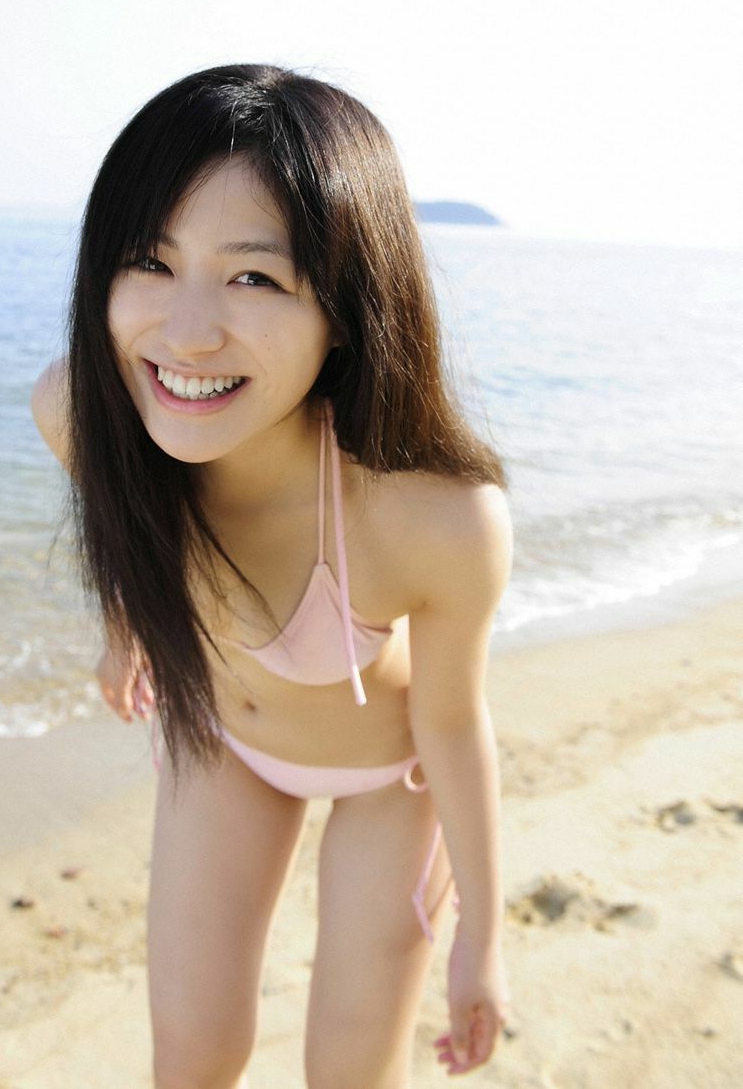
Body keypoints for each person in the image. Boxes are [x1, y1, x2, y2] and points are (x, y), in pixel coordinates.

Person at [31, 64, 513, 1087]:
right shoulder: (79, 412)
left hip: (389, 783)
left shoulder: (433, 519)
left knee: (349, 1070)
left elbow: (452, 724)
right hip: (223, 743)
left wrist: (483, 935)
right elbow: (123, 526)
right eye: (149, 261)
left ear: (345, 309)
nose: (186, 331)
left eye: (252, 278)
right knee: (192, 1055)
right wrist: (125, 630)